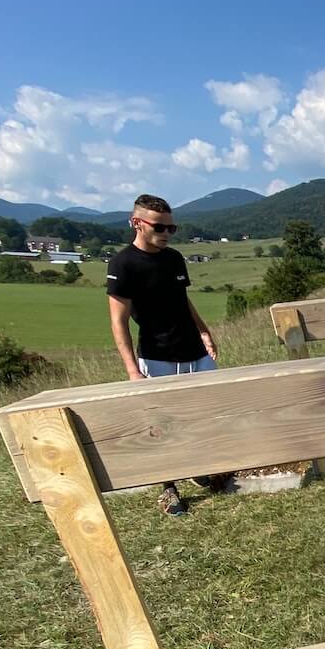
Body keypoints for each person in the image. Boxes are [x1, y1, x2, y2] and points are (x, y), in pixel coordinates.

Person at [106, 193, 229, 516]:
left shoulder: (174, 258)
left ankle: (199, 466)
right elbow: (118, 322)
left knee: (206, 411)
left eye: (171, 228)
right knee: (161, 424)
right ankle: (168, 488)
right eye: (159, 227)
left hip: (194, 351)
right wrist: (132, 371)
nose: (166, 234)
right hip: (157, 356)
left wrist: (204, 331)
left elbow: (182, 300)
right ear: (136, 223)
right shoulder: (123, 264)